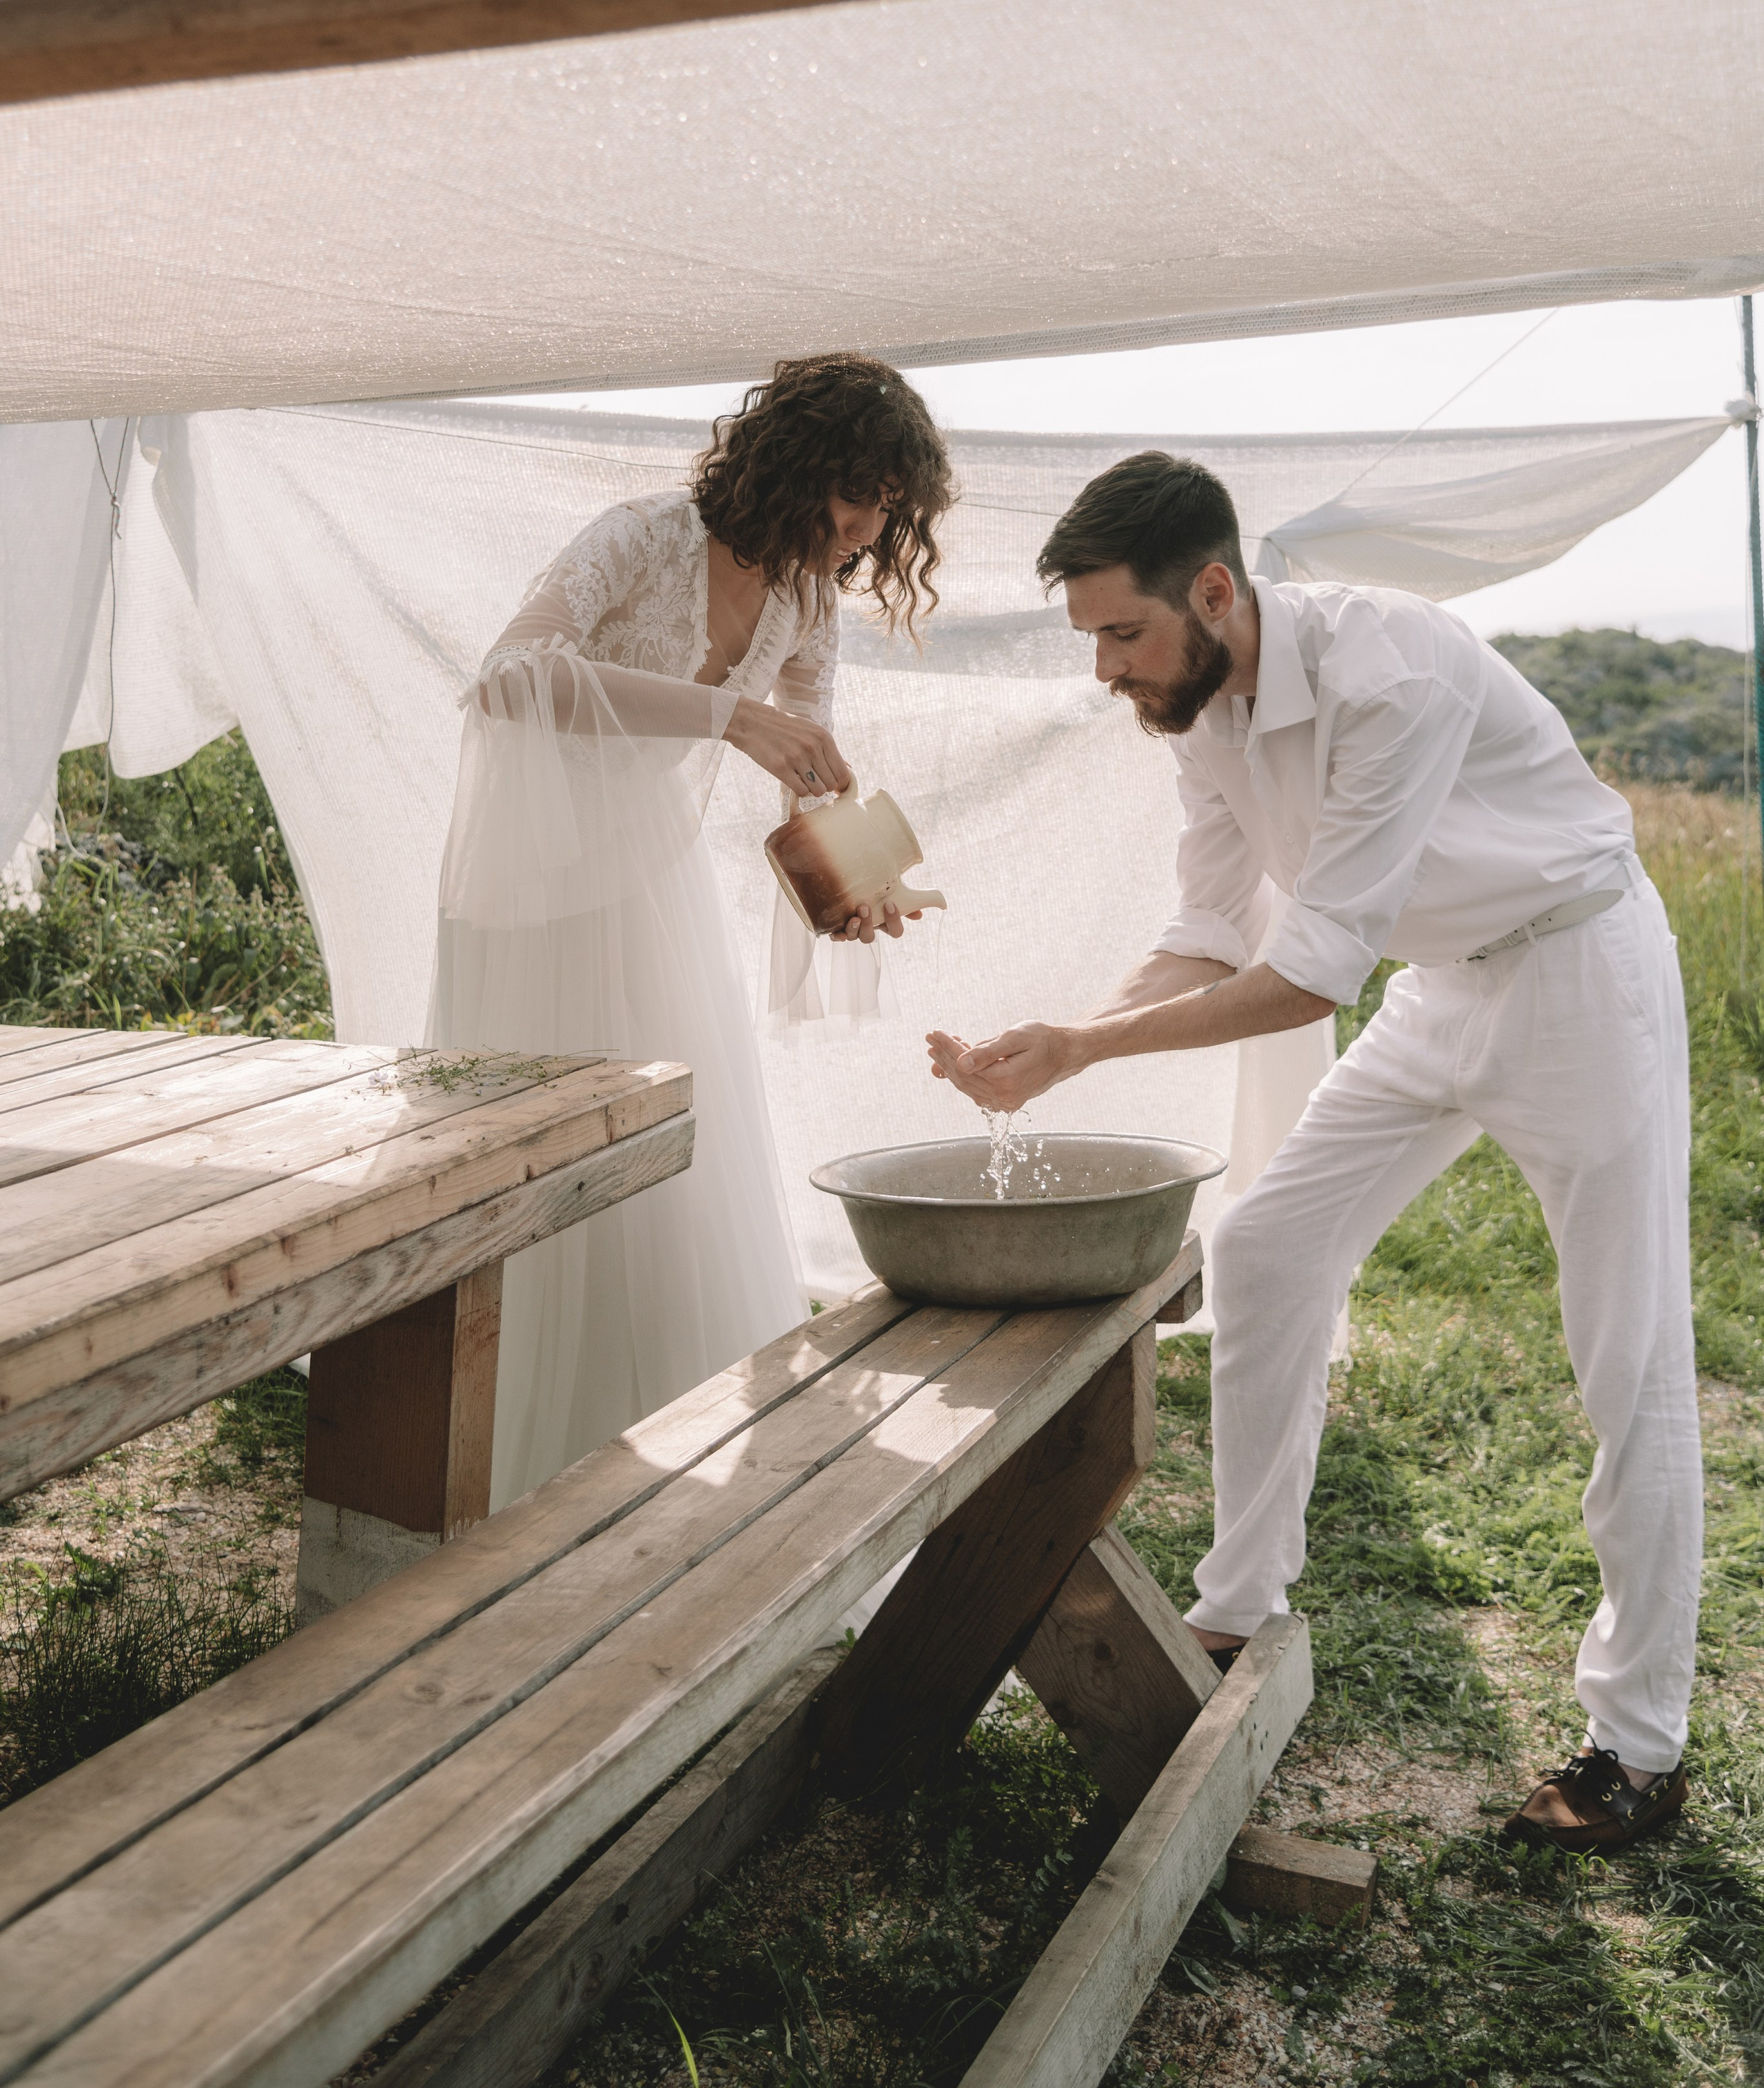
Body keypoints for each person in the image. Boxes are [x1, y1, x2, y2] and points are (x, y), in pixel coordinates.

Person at [927, 452, 1699, 1854]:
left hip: (1579, 972)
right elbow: (1209, 935)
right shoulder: (1195, 711)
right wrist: (1059, 1040)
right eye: (1089, 637)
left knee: (1626, 1356)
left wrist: (1088, 1053)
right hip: (1440, 987)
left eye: (1120, 632)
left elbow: (1304, 977)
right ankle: (1235, 1609)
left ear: (1211, 588)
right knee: (1268, 1249)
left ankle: (1636, 1749)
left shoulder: (1389, 669)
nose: (1104, 669)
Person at [431, 352, 953, 1507]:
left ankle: (670, 1476)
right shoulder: (644, 535)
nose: (868, 531)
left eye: (888, 511)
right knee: (543, 1162)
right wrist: (725, 714)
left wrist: (858, 887)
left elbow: (807, 770)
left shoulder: (811, 600)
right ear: (797, 464)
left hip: (649, 898)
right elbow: (509, 676)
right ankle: (513, 1459)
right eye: (858, 495)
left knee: (674, 1167)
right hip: (533, 899)